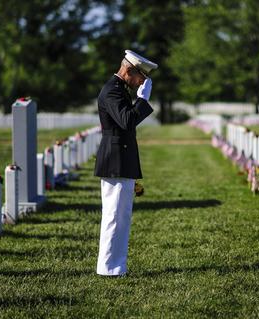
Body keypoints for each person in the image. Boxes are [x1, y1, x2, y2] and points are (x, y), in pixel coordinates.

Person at [94, 50, 158, 276]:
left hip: (122, 158)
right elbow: (127, 121)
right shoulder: (112, 91)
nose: (142, 82)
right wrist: (143, 100)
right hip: (115, 161)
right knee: (114, 215)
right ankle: (109, 267)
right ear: (128, 70)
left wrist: (140, 99)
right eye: (140, 76)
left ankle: (116, 266)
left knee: (121, 216)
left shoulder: (119, 89)